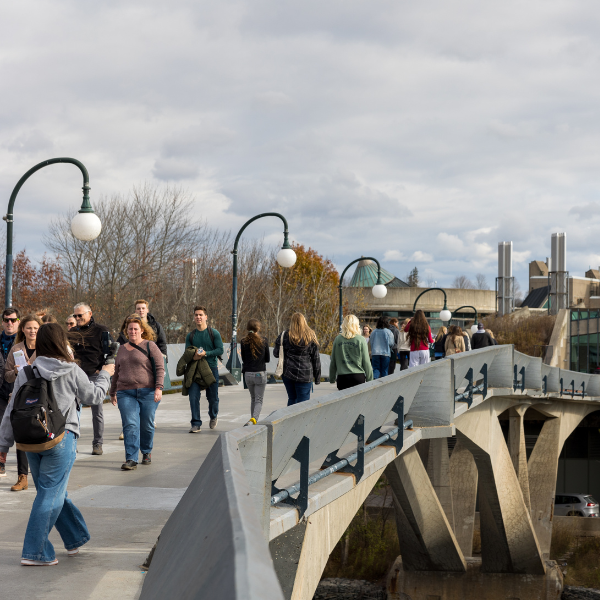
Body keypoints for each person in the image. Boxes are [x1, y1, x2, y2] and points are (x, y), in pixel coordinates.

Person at [0, 323, 114, 566]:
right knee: (51, 494)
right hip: (61, 438)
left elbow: (12, 409)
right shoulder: (71, 370)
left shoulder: (26, 372)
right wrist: (106, 374)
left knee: (50, 491)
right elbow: (93, 396)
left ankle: (74, 539)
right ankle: (35, 552)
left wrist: (3, 444)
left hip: (31, 440)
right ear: (62, 342)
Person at [110, 314, 165, 470]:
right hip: (125, 393)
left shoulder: (150, 346)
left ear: (142, 330)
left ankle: (146, 451)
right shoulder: (121, 349)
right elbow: (116, 372)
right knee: (130, 424)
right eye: (130, 329)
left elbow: (160, 368)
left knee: (147, 424)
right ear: (127, 331)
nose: (132, 331)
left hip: (148, 391)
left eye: (135, 329)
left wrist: (158, 388)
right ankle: (131, 459)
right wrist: (112, 392)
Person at [2, 314, 42, 491]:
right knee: (21, 435)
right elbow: (7, 375)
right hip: (19, 397)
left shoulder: (45, 347)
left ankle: (41, 475)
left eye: (35, 328)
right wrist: (17, 372)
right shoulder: (16, 348)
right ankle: (22, 477)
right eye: (29, 328)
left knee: (41, 433)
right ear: (23, 330)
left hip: (40, 397)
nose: (32, 331)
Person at [70, 303, 112, 456]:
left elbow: (111, 351)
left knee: (97, 410)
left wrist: (103, 368)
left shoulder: (101, 330)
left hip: (94, 373)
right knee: (72, 409)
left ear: (89, 314)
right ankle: (72, 443)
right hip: (76, 374)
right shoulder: (72, 332)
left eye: (80, 315)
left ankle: (98, 443)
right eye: (75, 315)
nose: (77, 318)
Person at [185, 306, 223, 433]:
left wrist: (206, 353)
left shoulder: (214, 333)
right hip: (195, 370)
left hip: (211, 369)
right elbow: (187, 352)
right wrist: (193, 356)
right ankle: (196, 423)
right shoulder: (190, 336)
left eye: (200, 315)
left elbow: (220, 350)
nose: (198, 317)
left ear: (206, 317)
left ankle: (213, 415)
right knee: (193, 396)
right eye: (196, 315)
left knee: (213, 398)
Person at [274, 313, 321, 405]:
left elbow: (276, 353)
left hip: (288, 373)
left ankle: (290, 419)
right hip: (305, 374)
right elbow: (316, 359)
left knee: (292, 399)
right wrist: (317, 378)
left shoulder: (284, 335)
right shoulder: (311, 336)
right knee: (303, 403)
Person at [330, 315, 373, 390]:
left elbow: (333, 360)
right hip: (358, 376)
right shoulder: (361, 340)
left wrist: (332, 378)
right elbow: (366, 361)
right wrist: (370, 379)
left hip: (342, 377)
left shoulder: (338, 339)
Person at [240, 319, 270, 425]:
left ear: (247, 328)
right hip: (260, 373)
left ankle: (252, 420)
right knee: (259, 399)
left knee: (253, 398)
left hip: (248, 374)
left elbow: (243, 359)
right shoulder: (264, 340)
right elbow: (267, 359)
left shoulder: (243, 341)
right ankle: (254, 420)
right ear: (258, 328)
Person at [0, 307, 16, 480]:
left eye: (13, 320)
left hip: (18, 391)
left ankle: (24, 470)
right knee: (1, 428)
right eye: (6, 320)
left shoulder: (23, 341)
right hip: (1, 390)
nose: (9, 323)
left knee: (21, 429)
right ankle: (1, 461)